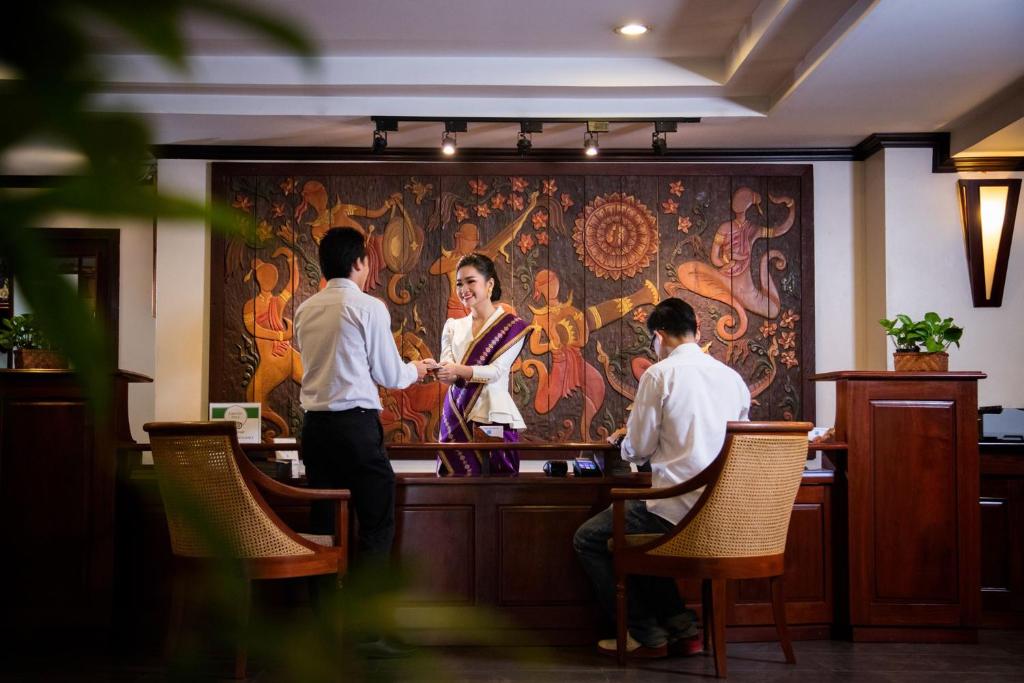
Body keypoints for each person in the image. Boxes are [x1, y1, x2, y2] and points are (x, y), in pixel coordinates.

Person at [573, 297, 751, 658]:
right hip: (724, 514)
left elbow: (638, 448)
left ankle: (644, 633)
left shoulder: (660, 373)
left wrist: (626, 442)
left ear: (659, 336)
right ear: (698, 331)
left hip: (677, 507)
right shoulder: (733, 379)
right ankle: (682, 626)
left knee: (591, 538)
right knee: (637, 538)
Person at [294, 227, 434, 656]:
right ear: (359, 262)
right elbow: (391, 376)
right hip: (355, 429)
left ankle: (323, 626)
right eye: (368, 261)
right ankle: (366, 630)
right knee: (375, 525)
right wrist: (419, 368)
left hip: (314, 430)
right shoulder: (367, 306)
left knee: (323, 526)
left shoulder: (304, 310)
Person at [435, 253, 529, 476]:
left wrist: (457, 370)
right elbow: (449, 369)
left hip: (493, 415)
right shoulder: (452, 326)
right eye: (459, 283)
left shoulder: (513, 327)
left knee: (497, 487)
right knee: (454, 487)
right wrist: (439, 370)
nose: (463, 289)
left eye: (470, 281)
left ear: (489, 284)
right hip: (456, 414)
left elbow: (495, 372)